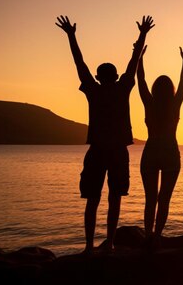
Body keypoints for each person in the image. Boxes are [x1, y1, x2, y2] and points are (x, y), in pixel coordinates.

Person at [55, 15, 154, 255]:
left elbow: (80, 64)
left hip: (98, 150)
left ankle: (89, 246)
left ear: (99, 77)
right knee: (114, 198)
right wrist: (142, 35)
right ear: (117, 76)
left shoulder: (93, 90)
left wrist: (71, 35)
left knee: (93, 199)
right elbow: (133, 62)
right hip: (117, 150)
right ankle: (109, 243)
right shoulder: (122, 88)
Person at [137, 44, 183, 249]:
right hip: (169, 153)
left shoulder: (149, 103)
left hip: (151, 152)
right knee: (164, 198)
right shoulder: (174, 105)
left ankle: (148, 234)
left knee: (151, 199)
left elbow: (140, 80)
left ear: (155, 89)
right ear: (171, 90)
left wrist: (139, 58)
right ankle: (157, 235)